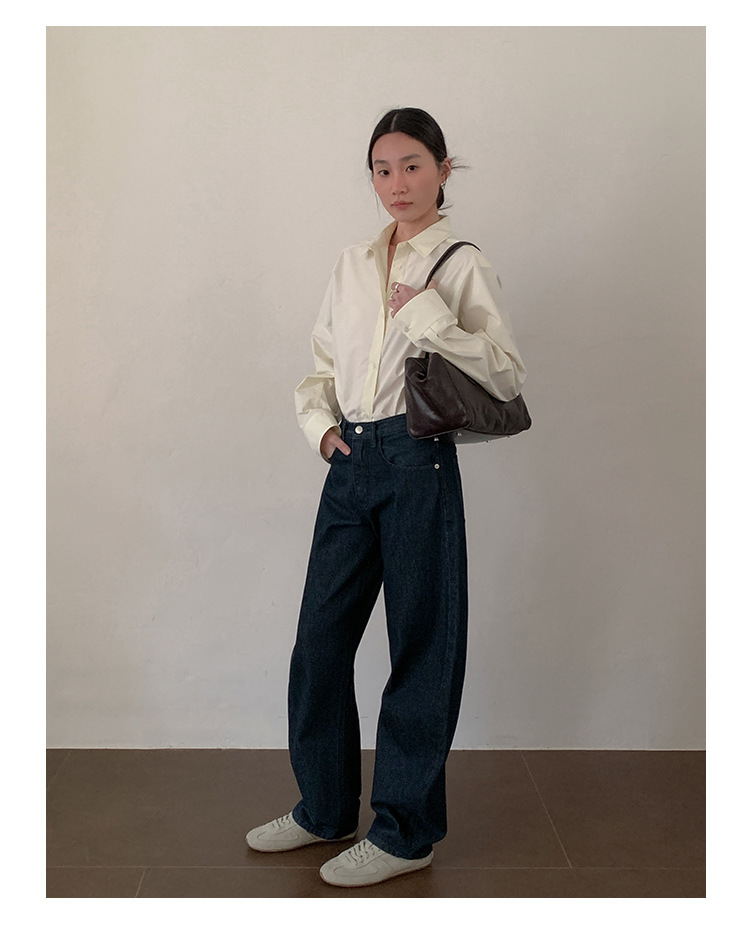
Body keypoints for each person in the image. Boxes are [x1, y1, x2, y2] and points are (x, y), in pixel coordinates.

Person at [245, 107, 526, 888]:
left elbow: (506, 375)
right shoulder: (351, 263)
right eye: (382, 169)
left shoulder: (461, 263)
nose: (396, 183)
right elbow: (322, 364)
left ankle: (406, 833)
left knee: (421, 647)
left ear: (442, 169)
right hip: (351, 462)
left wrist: (427, 314)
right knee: (319, 641)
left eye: (412, 165)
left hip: (417, 461)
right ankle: (325, 809)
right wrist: (321, 431)